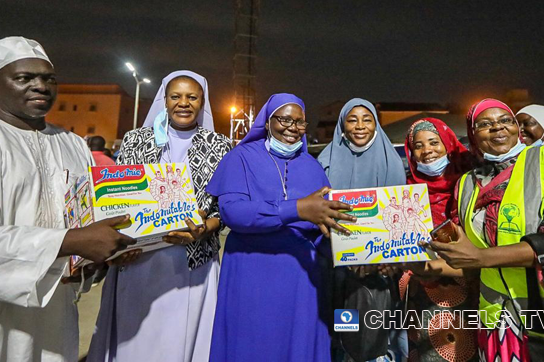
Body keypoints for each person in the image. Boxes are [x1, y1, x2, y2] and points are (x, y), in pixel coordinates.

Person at [0, 37, 135, 362]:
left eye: (49, 79)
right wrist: (71, 241)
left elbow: (88, 220)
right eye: (24, 78)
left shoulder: (74, 145)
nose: (41, 86)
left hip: (57, 311)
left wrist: (101, 256)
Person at [428, 99, 544, 361]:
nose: (498, 128)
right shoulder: (466, 186)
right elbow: (470, 259)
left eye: (506, 120)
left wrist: (481, 257)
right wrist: (423, 267)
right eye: (485, 124)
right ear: (472, 134)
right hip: (499, 323)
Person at [88, 71, 232, 362]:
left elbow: (224, 206)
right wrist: (118, 247)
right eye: (175, 96)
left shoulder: (219, 145)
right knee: (137, 338)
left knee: (184, 336)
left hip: (191, 259)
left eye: (192, 97)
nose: (183, 103)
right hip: (140, 258)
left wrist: (208, 226)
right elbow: (116, 197)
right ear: (164, 100)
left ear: (202, 102)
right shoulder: (136, 140)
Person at [207, 93, 356, 362]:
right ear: (267, 121)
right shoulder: (240, 157)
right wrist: (296, 209)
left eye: (300, 123)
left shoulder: (313, 167)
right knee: (250, 345)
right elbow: (233, 212)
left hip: (300, 277)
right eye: (285, 119)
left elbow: (321, 225)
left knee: (296, 346)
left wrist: (350, 247)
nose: (293, 128)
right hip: (251, 272)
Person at [317, 98, 407, 361]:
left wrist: (381, 258)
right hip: (332, 267)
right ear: (342, 125)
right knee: (339, 332)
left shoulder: (391, 161)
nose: (360, 126)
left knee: (370, 339)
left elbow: (399, 220)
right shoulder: (325, 161)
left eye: (367, 119)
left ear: (376, 124)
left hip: (378, 270)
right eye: (352, 119)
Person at [401, 118, 478, 362]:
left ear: (448, 145)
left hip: (473, 287)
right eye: (418, 146)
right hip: (424, 294)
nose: (427, 151)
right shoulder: (405, 192)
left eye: (434, 142)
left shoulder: (472, 184)